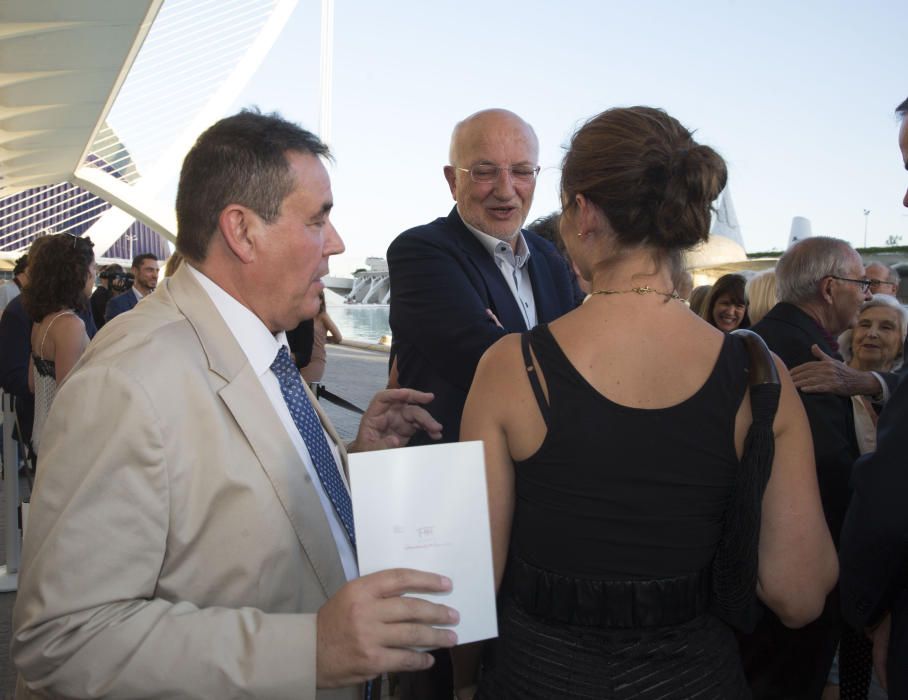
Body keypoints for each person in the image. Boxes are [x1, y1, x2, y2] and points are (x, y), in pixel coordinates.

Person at [12, 110, 458, 699]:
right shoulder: (126, 382)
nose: (338, 242)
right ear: (242, 231)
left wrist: (355, 457)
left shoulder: (258, 341)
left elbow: (261, 495)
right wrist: (311, 650)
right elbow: (63, 638)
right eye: (319, 218)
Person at [457, 106, 836, 699]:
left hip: (537, 678)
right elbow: (800, 594)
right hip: (696, 680)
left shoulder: (512, 367)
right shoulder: (758, 375)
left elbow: (471, 582)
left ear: (582, 213)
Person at [387, 109, 580, 446]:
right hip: (455, 479)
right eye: (485, 172)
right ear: (453, 181)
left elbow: (580, 353)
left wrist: (506, 339)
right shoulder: (420, 251)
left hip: (542, 480)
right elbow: (486, 364)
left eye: (521, 171)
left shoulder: (549, 257)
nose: (506, 191)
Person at [745, 236, 871, 698]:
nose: (868, 293)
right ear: (829, 287)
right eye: (861, 283)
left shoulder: (775, 336)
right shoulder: (805, 352)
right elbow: (828, 467)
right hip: (794, 566)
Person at [839, 95, 908, 700]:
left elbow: (887, 492)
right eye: (866, 321)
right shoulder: (825, 376)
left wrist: (866, 602)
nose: (905, 198)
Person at [20, 234, 95, 454]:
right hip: (65, 443)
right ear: (77, 273)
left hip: (40, 433)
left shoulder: (42, 320)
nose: (95, 273)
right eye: (93, 266)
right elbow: (70, 398)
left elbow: (33, 384)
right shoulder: (71, 325)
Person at [838, 295, 907, 453]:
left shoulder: (902, 390)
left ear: (903, 342)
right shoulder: (832, 380)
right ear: (852, 335)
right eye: (864, 324)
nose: (872, 334)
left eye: (886, 327)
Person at [104, 252, 159, 321]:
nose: (155, 276)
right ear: (134, 271)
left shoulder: (160, 301)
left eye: (157, 271)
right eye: (149, 270)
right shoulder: (117, 304)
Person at [301, 292, 343, 383]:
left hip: (314, 360)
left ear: (321, 301)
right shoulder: (301, 315)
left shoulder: (322, 316)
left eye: (315, 298)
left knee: (307, 390)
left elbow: (338, 338)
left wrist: (323, 338)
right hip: (298, 358)